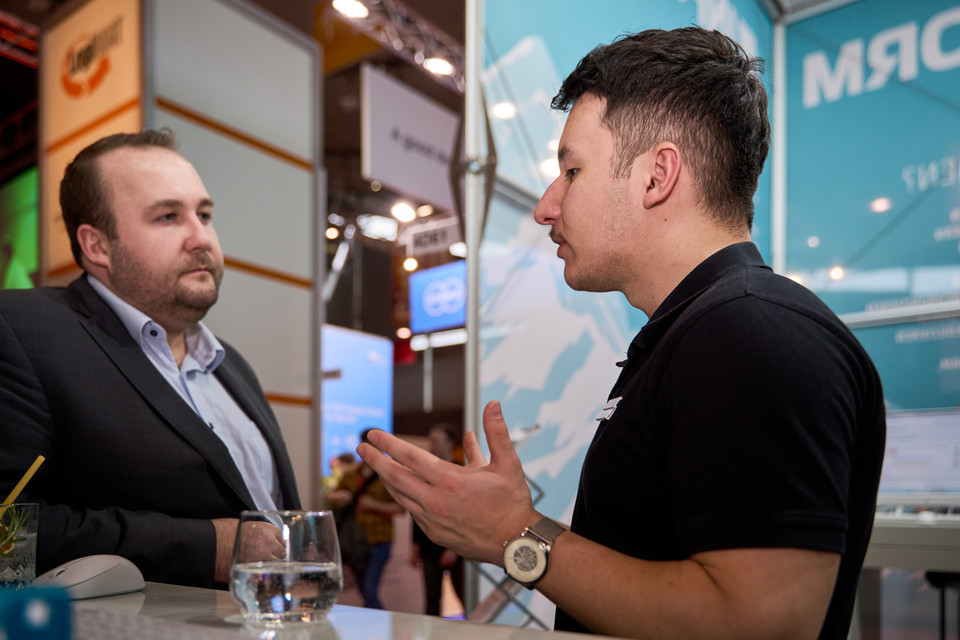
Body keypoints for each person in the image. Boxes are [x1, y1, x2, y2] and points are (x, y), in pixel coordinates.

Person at [357, 27, 885, 640]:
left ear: (657, 175)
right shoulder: (705, 334)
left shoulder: (752, 336)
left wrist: (515, 535)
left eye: (572, 171)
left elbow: (759, 622)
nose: (546, 205)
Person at [0, 129, 300, 588]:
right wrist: (208, 549)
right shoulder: (21, 329)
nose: (201, 238)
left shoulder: (232, 364)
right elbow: (8, 529)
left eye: (204, 214)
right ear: (97, 245)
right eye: (167, 217)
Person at [328, 429, 403, 609]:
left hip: (380, 540)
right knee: (364, 588)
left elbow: (400, 508)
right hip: (355, 541)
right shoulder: (352, 473)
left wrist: (374, 505)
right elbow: (331, 496)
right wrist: (340, 496)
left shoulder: (389, 473)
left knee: (369, 589)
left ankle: (379, 627)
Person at [410, 424, 464, 616]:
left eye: (435, 441)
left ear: (449, 443)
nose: (431, 445)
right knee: (431, 600)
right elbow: (417, 509)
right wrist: (415, 544)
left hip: (458, 549)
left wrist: (454, 547)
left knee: (464, 598)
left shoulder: (462, 473)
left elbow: (464, 514)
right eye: (430, 440)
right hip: (429, 547)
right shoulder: (426, 474)